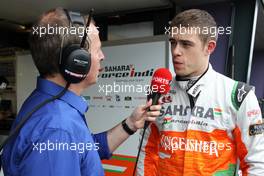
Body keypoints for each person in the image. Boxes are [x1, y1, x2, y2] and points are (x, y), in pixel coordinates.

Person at [1, 7, 161, 176]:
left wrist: (130, 124)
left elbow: (84, 150)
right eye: (97, 50)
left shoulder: (51, 107)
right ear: (76, 60)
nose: (102, 56)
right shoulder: (58, 128)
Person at [137, 9, 264, 176]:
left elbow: (256, 163)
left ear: (209, 47)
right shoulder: (160, 92)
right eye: (173, 42)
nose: (176, 51)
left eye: (186, 44)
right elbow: (147, 151)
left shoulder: (238, 95)